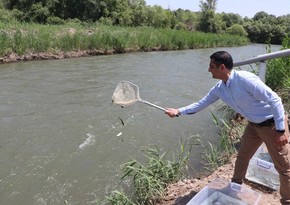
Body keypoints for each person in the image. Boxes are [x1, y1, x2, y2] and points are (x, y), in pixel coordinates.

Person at [165, 51, 290, 205]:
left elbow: (275, 100)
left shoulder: (245, 79)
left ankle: (287, 200)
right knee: (243, 156)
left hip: (272, 125)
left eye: (212, 66)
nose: (209, 70)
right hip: (253, 125)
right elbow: (201, 103)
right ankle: (235, 188)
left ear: (222, 67)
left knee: (283, 167)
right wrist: (179, 111)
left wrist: (280, 130)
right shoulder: (220, 88)